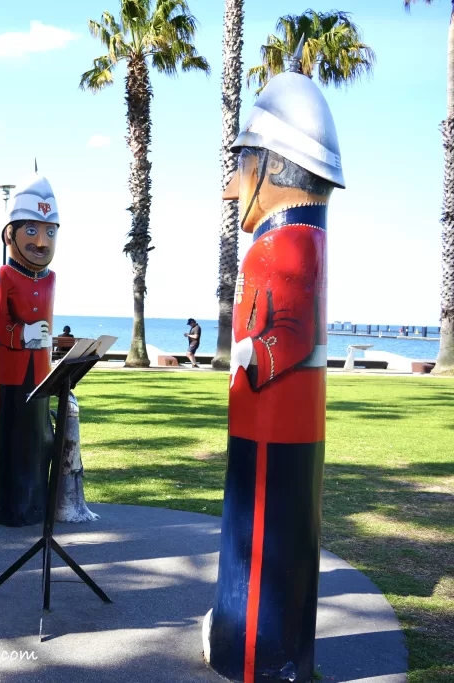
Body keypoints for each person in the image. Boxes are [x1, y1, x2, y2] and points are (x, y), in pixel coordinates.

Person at [203, 48, 344, 683]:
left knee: (260, 536)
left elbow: (289, 330)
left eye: (241, 165)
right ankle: (250, 641)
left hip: (271, 435)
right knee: (261, 529)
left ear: (270, 166)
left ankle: (256, 654)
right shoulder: (288, 240)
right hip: (269, 427)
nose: (232, 185)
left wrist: (249, 356)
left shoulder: (285, 242)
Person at [0, 172, 59, 527]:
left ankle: (35, 504)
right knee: (14, 440)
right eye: (31, 230)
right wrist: (24, 334)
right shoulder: (7, 275)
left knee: (38, 440)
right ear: (10, 234)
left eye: (50, 231)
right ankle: (11, 507)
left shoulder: (50, 278)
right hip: (14, 376)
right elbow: (2, 326)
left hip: (41, 373)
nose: (42, 241)